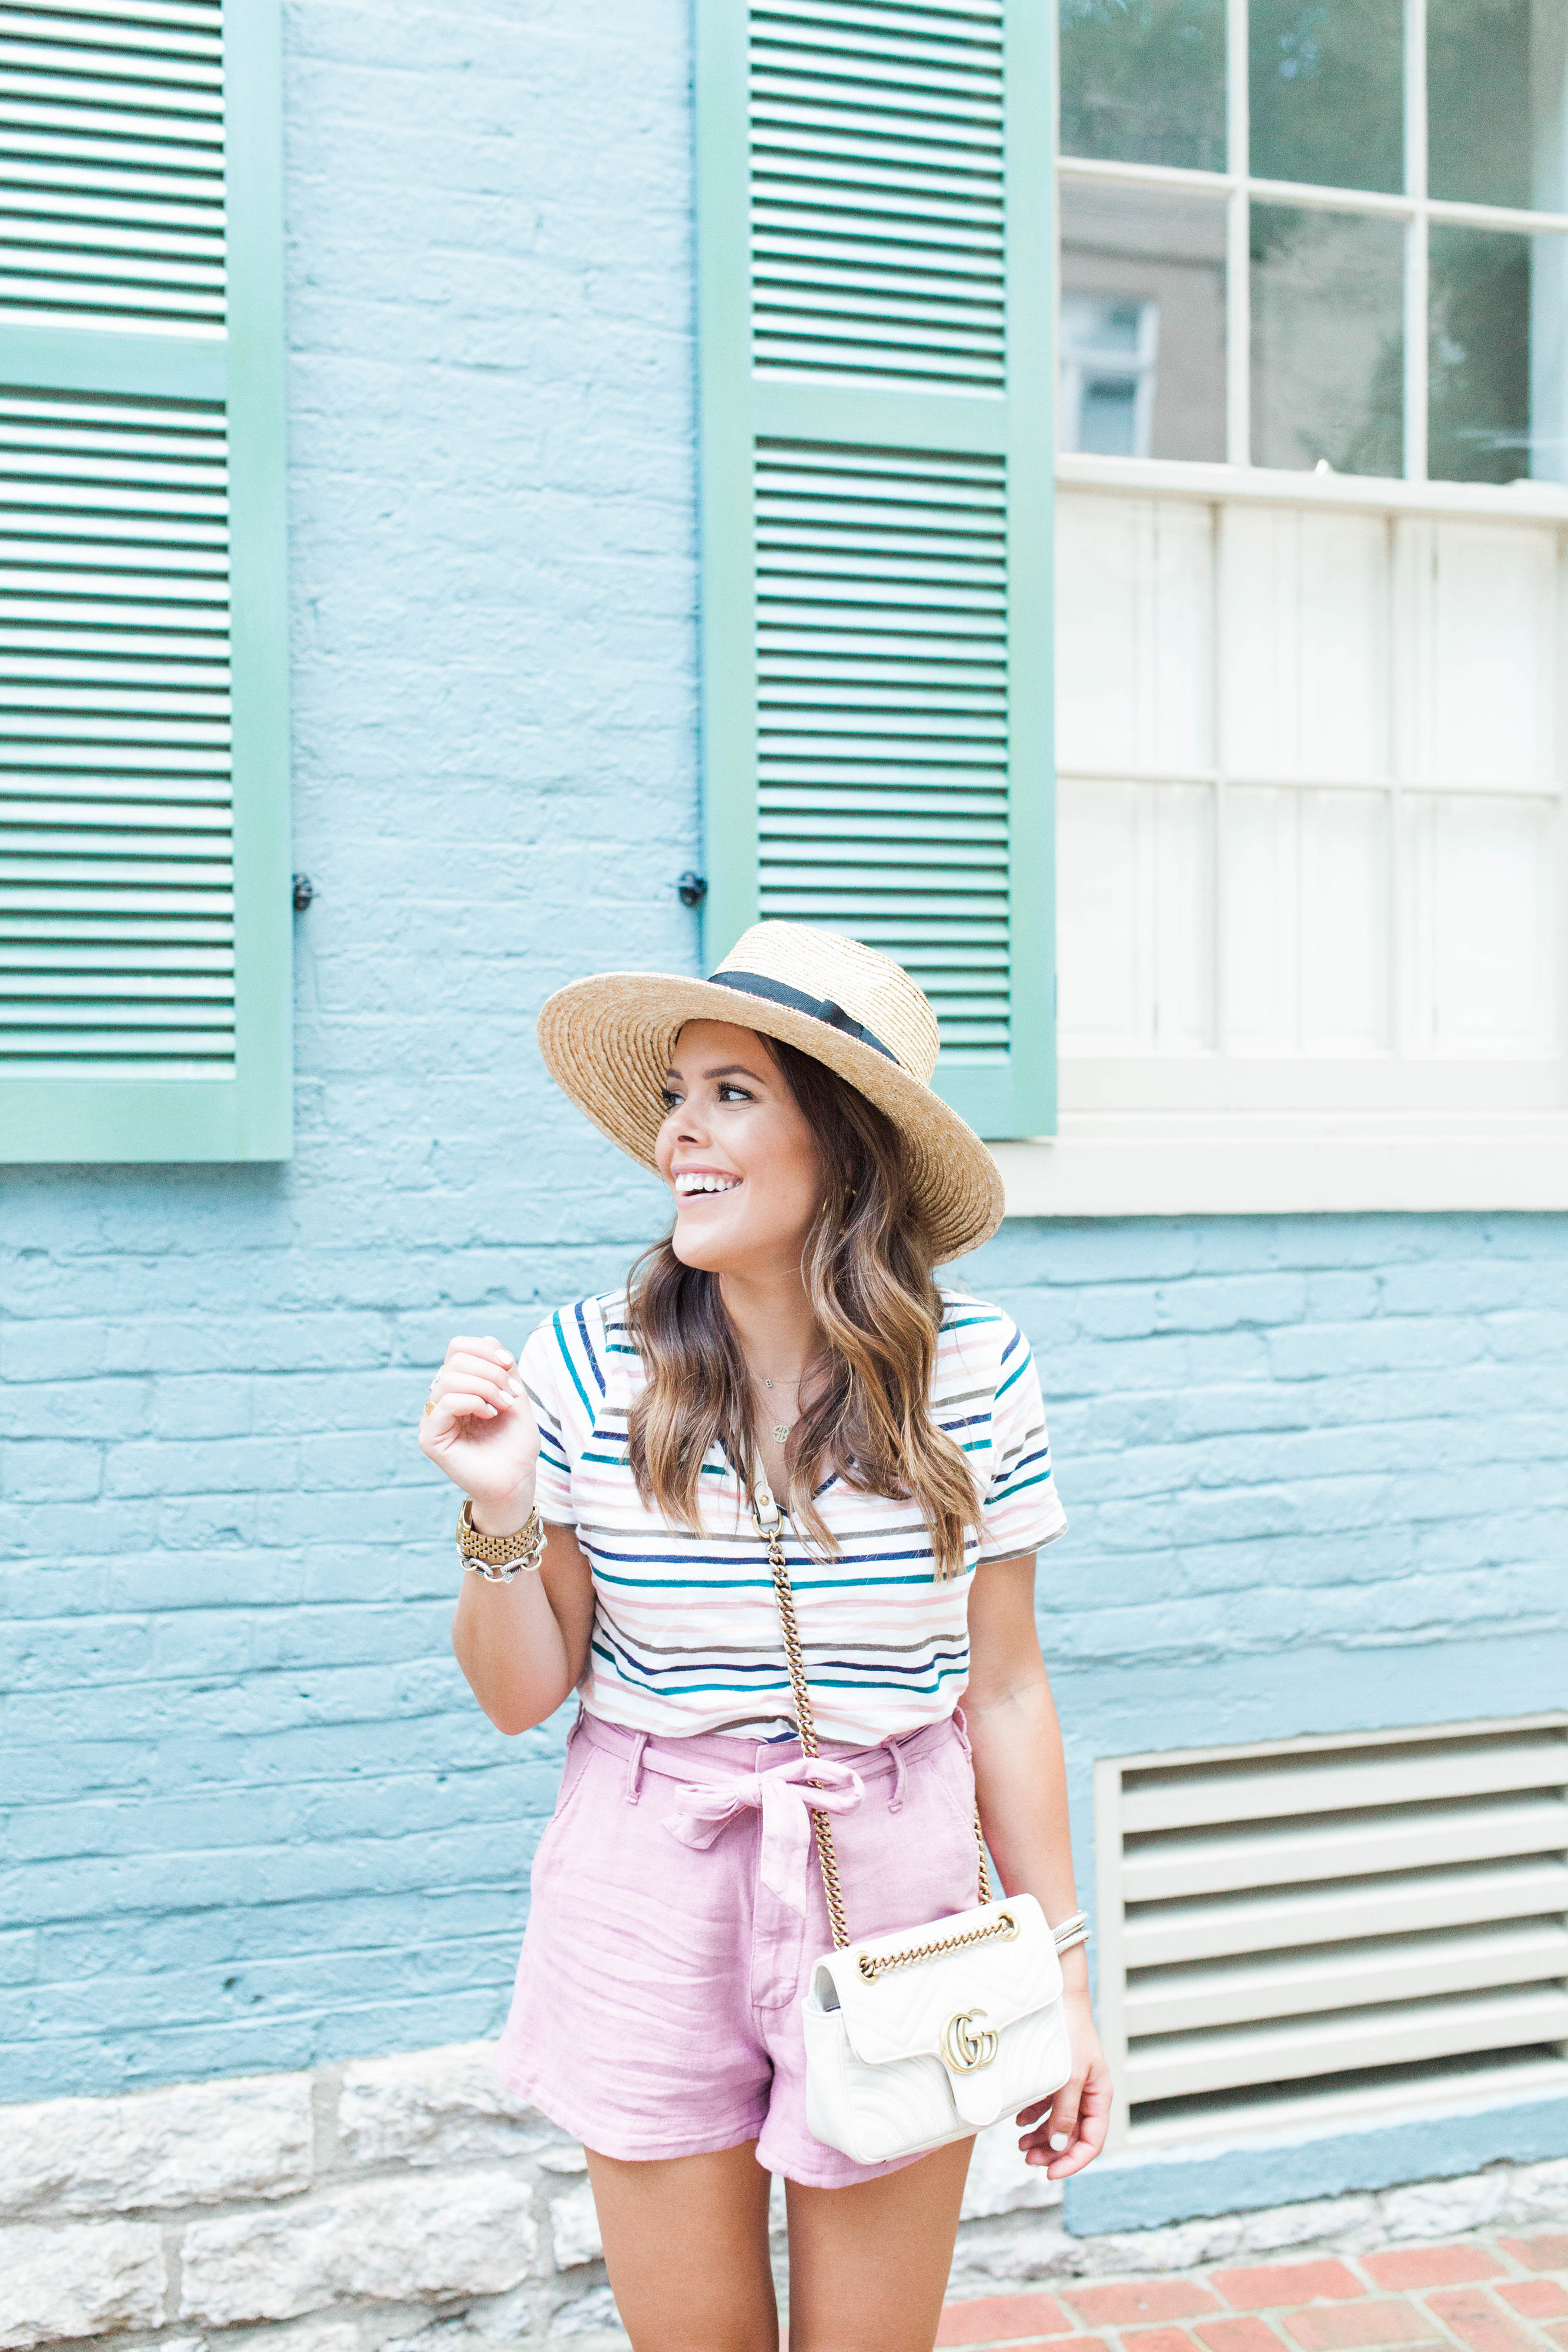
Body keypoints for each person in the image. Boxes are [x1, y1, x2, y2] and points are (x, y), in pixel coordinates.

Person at [417, 923, 1112, 2352]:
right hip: (650, 1876)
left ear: (839, 1142)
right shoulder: (580, 1362)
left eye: (731, 1093)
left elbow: (1004, 1688)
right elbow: (519, 1692)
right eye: (676, 1094)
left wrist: (1063, 1970)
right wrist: (497, 1513)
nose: (681, 1132)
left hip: (898, 1877)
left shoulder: (973, 1368)